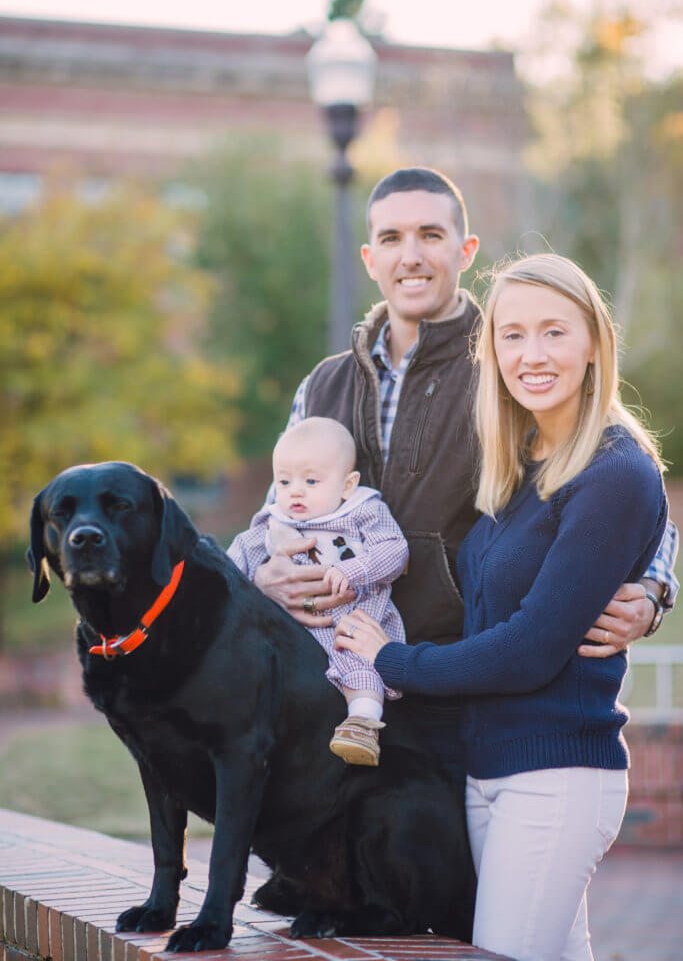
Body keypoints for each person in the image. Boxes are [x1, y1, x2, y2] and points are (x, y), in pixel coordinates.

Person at [251, 167, 678, 778]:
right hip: (333, 679)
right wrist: (267, 572)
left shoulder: (508, 361)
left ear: (464, 250)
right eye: (393, 239)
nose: (412, 256)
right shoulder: (323, 384)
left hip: (454, 681)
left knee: (444, 871)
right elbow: (276, 509)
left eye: (431, 234)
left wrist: (655, 590)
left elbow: (615, 473)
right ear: (371, 258)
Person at [337, 253, 669, 961]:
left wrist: (389, 660)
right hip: (488, 770)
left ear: (592, 345)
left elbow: (528, 648)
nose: (532, 354)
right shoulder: (519, 466)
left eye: (554, 332)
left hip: (556, 776)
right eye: (512, 335)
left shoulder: (613, 472)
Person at [228, 417, 408, 766]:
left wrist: (354, 569)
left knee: (358, 662)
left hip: (352, 618)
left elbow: (394, 550)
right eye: (284, 480)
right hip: (292, 629)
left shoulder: (363, 511)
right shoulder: (274, 521)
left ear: (347, 484)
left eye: (311, 481)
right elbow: (237, 559)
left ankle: (363, 725)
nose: (295, 491)